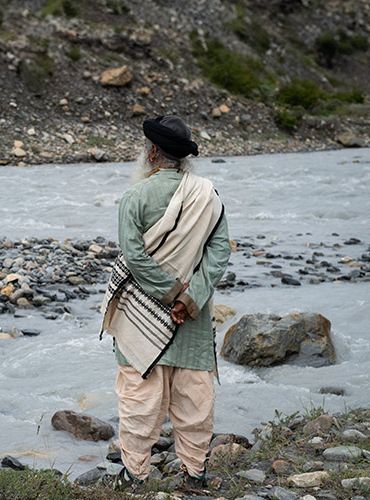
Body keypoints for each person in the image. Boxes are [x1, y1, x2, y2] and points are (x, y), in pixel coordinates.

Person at [99, 116, 231, 490]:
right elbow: (220, 252)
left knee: (139, 400)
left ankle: (135, 477)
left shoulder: (135, 197)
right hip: (193, 315)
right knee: (195, 400)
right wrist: (190, 297)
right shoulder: (208, 195)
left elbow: (134, 256)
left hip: (143, 314)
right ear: (183, 158)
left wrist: (168, 292)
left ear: (152, 152)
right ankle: (194, 477)